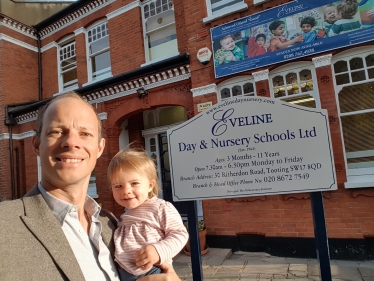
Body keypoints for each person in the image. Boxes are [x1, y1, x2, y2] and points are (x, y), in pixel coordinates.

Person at [0, 91, 181, 281]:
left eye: (85, 134)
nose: (71, 142)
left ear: (100, 148)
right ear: (37, 145)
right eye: (56, 131)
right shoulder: (5, 224)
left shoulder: (111, 224)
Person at [108, 149, 189, 280]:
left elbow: (180, 234)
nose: (126, 191)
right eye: (118, 186)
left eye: (134, 183)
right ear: (111, 189)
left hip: (153, 269)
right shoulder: (125, 216)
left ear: (150, 185)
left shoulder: (160, 207)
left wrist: (157, 251)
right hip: (123, 273)